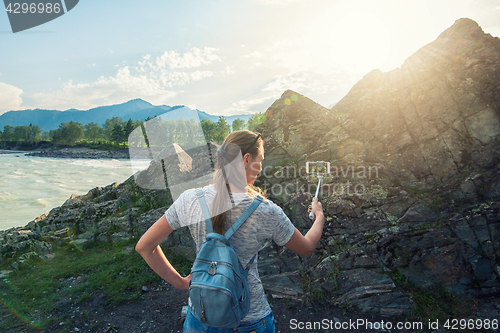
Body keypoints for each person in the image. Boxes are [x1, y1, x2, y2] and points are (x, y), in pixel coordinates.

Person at [136, 130, 325, 333]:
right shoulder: (266, 210)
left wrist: (181, 283)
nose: (260, 168)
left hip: (201, 315)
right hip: (249, 319)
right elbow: (306, 248)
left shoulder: (190, 200)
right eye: (259, 160)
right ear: (246, 159)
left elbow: (145, 247)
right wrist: (320, 216)